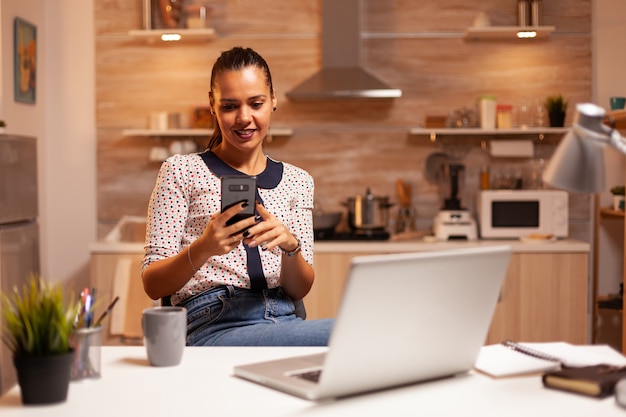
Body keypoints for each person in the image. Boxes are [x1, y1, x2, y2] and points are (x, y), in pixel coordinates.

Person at [141, 46, 334, 346]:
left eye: (255, 103)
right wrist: (204, 247)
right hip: (213, 322)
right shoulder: (180, 170)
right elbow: (152, 283)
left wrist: (290, 247)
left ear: (273, 101)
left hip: (284, 317)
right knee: (351, 333)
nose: (244, 118)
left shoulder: (299, 181)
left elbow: (298, 290)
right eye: (230, 106)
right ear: (212, 105)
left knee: (355, 331)